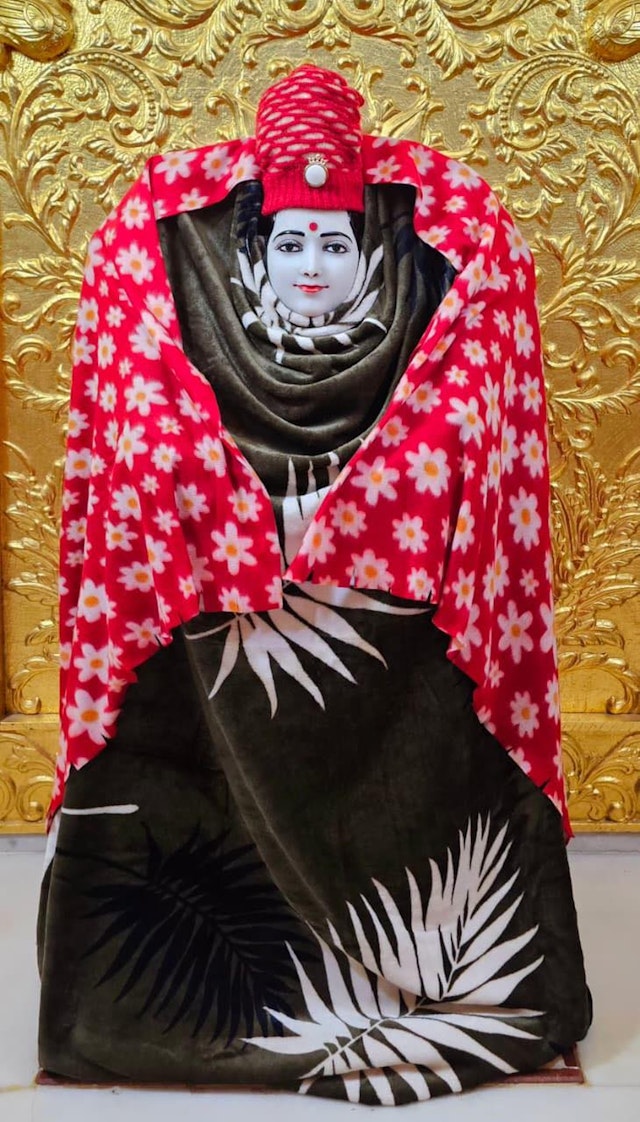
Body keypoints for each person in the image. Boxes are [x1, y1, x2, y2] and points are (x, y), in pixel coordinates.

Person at [38, 64, 591, 1106]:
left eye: (334, 243)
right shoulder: (149, 247)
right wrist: (224, 508)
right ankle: (164, 1005)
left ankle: (439, 980)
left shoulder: (465, 243)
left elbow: (481, 428)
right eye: (289, 241)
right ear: (252, 247)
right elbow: (126, 439)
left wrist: (366, 508)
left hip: (402, 621)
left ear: (370, 249)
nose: (310, 264)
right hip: (210, 633)